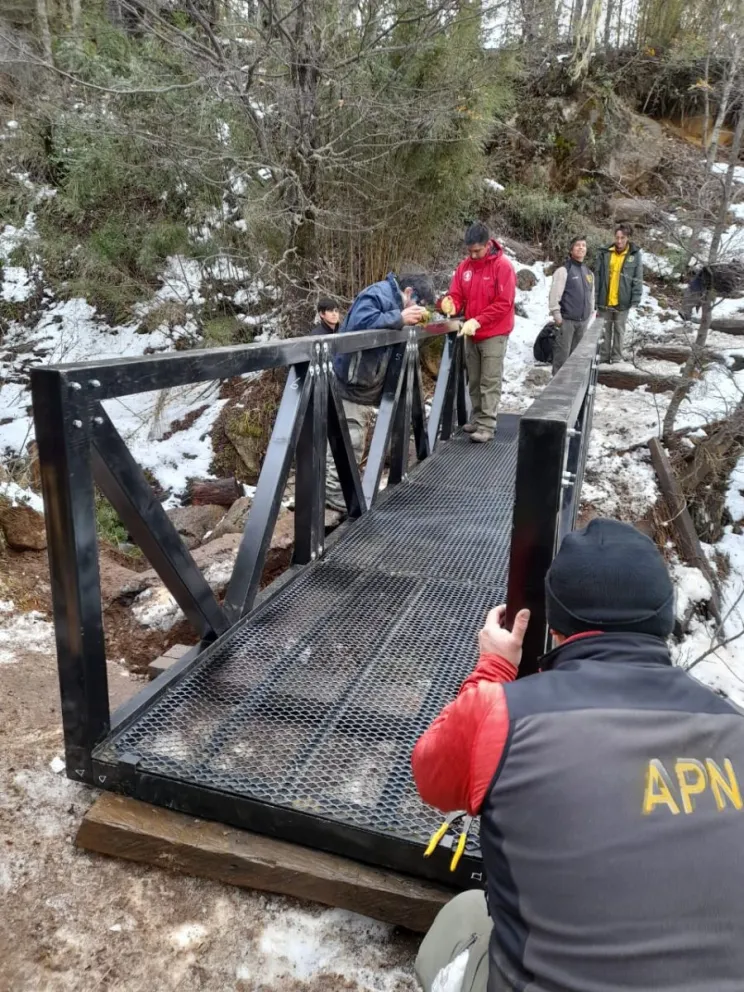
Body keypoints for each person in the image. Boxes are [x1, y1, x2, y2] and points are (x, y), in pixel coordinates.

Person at [412, 518, 744, 992]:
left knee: (463, 916)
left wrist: (495, 667)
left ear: (556, 627)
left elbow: (431, 777)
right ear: (664, 619)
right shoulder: (734, 724)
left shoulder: (503, 715)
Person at [325, 271, 433, 511]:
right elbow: (359, 324)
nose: (419, 309)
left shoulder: (392, 300)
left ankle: (344, 490)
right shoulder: (377, 294)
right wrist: (400, 317)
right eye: (420, 304)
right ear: (408, 293)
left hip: (366, 381)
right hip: (350, 381)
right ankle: (333, 493)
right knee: (349, 437)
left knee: (356, 437)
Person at [439, 223, 516, 444]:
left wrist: (479, 320)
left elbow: (504, 303)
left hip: (494, 332)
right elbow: (457, 294)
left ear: (488, 244)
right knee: (473, 379)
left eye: (477, 251)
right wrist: (450, 304)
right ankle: (477, 416)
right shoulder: (465, 267)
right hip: (471, 332)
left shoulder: (503, 267)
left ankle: (487, 424)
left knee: (489, 379)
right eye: (469, 251)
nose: (473, 255)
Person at [595, 223, 643, 364]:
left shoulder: (634, 255)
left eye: (623, 238)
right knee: (605, 330)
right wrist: (595, 296)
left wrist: (636, 297)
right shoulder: (605, 253)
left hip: (623, 300)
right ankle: (603, 358)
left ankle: (616, 358)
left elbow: (637, 278)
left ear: (627, 238)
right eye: (617, 237)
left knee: (619, 331)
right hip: (605, 299)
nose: (619, 241)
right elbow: (597, 275)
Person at [548, 236, 595, 374]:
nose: (581, 247)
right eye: (577, 245)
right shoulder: (563, 270)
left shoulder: (589, 272)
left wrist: (590, 314)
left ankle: (571, 389)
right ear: (571, 249)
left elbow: (591, 296)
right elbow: (554, 295)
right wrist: (557, 315)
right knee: (562, 358)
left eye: (584, 245)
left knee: (576, 358)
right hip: (566, 321)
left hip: (583, 322)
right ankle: (556, 389)